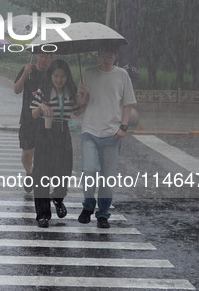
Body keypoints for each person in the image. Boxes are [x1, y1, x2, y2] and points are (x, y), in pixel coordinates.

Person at [76, 43, 137, 228]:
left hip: (112, 135)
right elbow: (79, 106)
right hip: (90, 131)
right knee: (89, 171)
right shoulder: (87, 73)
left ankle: (103, 214)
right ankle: (88, 206)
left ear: (115, 56)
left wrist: (123, 127)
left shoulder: (122, 75)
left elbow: (127, 104)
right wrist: (82, 95)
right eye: (104, 54)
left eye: (110, 54)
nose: (107, 57)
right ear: (99, 55)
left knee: (107, 178)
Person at [30, 59, 84, 228]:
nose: (59, 80)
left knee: (64, 172)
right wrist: (41, 107)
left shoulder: (71, 90)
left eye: (62, 76)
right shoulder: (44, 90)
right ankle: (43, 215)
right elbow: (33, 113)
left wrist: (84, 96)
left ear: (67, 76)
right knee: (42, 175)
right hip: (45, 133)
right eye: (56, 76)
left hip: (63, 133)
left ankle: (58, 198)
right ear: (51, 76)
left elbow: (78, 111)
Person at [13, 53, 53, 192]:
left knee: (43, 151)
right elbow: (16, 90)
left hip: (46, 119)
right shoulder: (28, 71)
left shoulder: (53, 73)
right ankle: (29, 172)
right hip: (27, 118)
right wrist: (24, 74)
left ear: (51, 57)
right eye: (41, 56)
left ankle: (39, 175)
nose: (43, 59)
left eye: (46, 56)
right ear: (36, 56)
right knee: (27, 151)